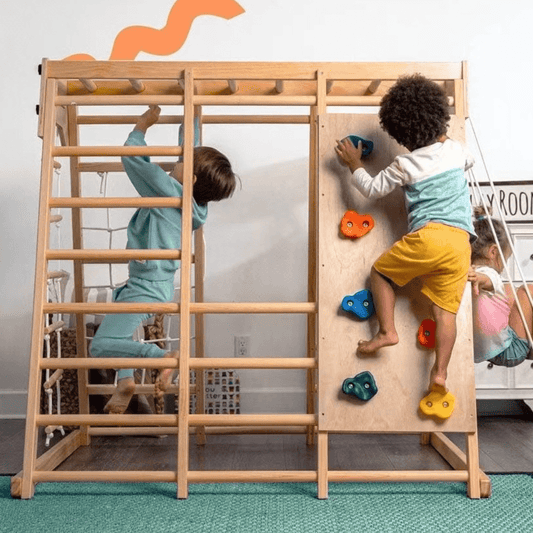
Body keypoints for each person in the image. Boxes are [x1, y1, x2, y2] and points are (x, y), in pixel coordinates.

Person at [91, 105, 237, 414]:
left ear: (191, 178)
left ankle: (162, 358)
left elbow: (133, 159)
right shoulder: (197, 205)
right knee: (119, 330)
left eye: (181, 162)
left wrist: (142, 126)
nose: (176, 162)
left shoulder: (169, 191)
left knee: (100, 346)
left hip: (145, 287)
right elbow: (191, 152)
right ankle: (125, 381)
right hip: (156, 284)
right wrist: (191, 115)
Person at [335, 74, 475, 395]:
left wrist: (353, 164)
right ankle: (440, 373)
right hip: (460, 243)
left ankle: (387, 332)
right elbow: (470, 160)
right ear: (439, 119)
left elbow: (371, 189)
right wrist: (444, 139)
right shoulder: (456, 150)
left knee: (380, 273)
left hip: (430, 237)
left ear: (401, 136)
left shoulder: (405, 163)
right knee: (445, 314)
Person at [469, 207, 533, 367]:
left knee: (509, 291)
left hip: (485, 351)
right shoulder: (490, 275)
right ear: (493, 252)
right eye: (505, 258)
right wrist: (478, 278)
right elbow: (487, 279)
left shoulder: (469, 270)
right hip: (510, 350)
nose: (504, 267)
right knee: (527, 290)